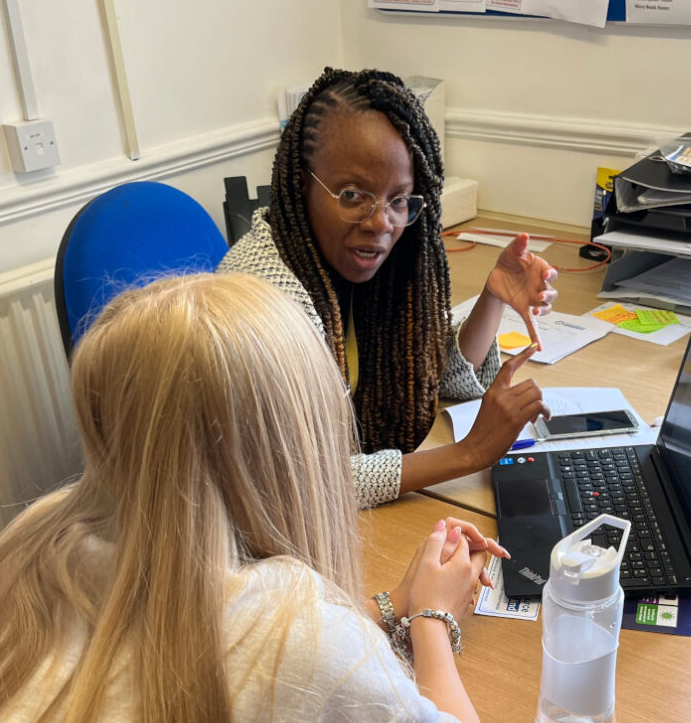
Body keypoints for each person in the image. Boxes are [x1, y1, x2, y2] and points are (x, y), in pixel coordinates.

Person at [0, 272, 498, 723]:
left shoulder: (31, 542)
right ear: (301, 447)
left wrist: (384, 608)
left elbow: (216, 640)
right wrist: (431, 618)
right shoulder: (298, 640)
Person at [219, 67, 558, 507]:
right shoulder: (263, 303)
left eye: (399, 199)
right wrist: (470, 452)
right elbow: (305, 483)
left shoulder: (354, 259)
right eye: (352, 195)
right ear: (302, 184)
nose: (382, 222)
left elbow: (432, 376)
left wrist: (493, 296)